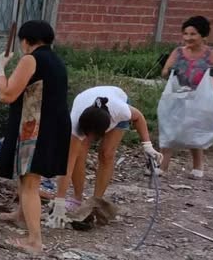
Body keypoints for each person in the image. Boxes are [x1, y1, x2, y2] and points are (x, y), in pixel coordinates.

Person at [0, 20, 70, 254]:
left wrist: (0, 67)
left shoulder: (31, 59)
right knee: (25, 174)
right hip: (53, 124)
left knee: (30, 181)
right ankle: (20, 215)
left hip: (37, 127)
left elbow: (7, 94)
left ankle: (34, 241)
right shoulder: (56, 60)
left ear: (26, 41)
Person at [47, 86, 162, 228]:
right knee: (79, 153)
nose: (89, 139)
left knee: (106, 153)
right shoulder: (75, 122)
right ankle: (77, 198)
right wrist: (59, 200)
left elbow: (139, 117)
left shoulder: (120, 111)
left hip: (115, 101)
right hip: (86, 103)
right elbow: (67, 165)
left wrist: (147, 146)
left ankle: (96, 201)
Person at [159, 16, 213, 178]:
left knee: (195, 129)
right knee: (169, 128)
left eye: (193, 34)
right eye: (185, 34)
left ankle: (198, 166)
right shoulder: (178, 52)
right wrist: (171, 70)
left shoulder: (212, 54)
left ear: (203, 36)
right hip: (178, 95)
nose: (188, 38)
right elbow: (165, 72)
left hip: (201, 98)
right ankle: (163, 166)